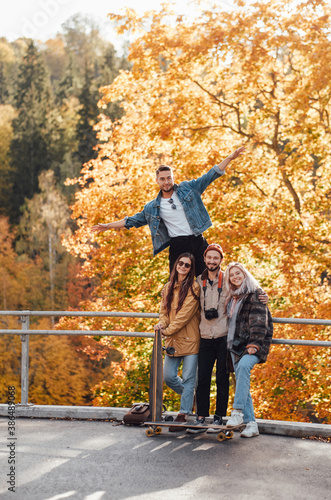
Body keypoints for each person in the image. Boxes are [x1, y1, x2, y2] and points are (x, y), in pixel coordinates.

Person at [91, 147, 245, 276]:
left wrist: (230, 158)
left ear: (173, 178)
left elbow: (210, 175)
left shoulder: (188, 189)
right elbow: (131, 221)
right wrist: (108, 226)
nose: (166, 182)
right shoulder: (152, 208)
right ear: (157, 181)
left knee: (210, 277)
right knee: (177, 285)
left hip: (198, 240)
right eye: (163, 179)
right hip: (178, 245)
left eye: (169, 178)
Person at [188, 244, 268, 434]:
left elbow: (248, 288)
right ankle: (201, 417)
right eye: (209, 258)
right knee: (203, 378)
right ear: (205, 259)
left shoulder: (228, 280)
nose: (212, 261)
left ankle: (219, 418)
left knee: (223, 379)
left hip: (225, 337)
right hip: (205, 335)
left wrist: (263, 294)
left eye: (216, 258)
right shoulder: (199, 281)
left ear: (221, 260)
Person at [224, 262, 273, 438]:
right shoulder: (232, 297)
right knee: (242, 383)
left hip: (252, 346)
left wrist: (254, 345)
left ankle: (237, 412)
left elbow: (260, 322)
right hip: (234, 346)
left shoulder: (256, 293)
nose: (235, 276)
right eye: (232, 274)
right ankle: (252, 424)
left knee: (244, 368)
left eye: (238, 273)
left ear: (245, 274)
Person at [154, 253, 200, 431]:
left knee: (189, 378)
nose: (183, 266)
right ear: (176, 265)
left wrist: (167, 330)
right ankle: (190, 397)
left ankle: (183, 413)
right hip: (173, 340)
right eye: (180, 263)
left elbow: (184, 316)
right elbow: (163, 313)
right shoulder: (168, 286)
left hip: (190, 340)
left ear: (191, 268)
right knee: (168, 376)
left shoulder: (194, 287)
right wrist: (161, 325)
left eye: (187, 265)